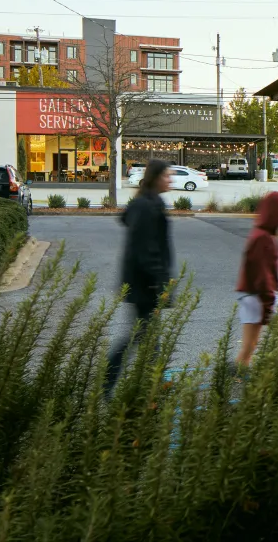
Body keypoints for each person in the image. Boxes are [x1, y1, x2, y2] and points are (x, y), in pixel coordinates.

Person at [105, 159, 175, 390]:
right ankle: (113, 382)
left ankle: (151, 387)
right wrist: (160, 283)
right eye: (167, 175)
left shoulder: (150, 203)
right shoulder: (146, 206)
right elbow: (146, 251)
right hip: (144, 285)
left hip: (142, 283)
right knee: (142, 336)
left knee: (146, 336)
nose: (171, 179)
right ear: (156, 178)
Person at [235, 190, 278, 368]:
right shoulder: (263, 239)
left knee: (249, 346)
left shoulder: (259, 234)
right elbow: (263, 276)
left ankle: (234, 376)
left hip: (251, 295)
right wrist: (269, 305)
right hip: (262, 296)